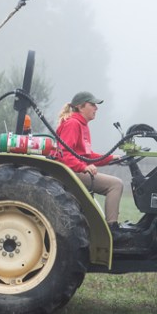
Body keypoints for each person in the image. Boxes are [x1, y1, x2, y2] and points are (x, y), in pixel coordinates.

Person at [55, 91, 124, 231]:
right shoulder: (73, 124)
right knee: (115, 185)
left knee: (115, 183)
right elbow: (64, 155)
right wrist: (83, 167)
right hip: (71, 173)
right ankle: (112, 229)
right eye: (92, 105)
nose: (96, 108)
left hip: (75, 170)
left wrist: (111, 158)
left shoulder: (82, 125)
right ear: (81, 107)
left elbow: (86, 155)